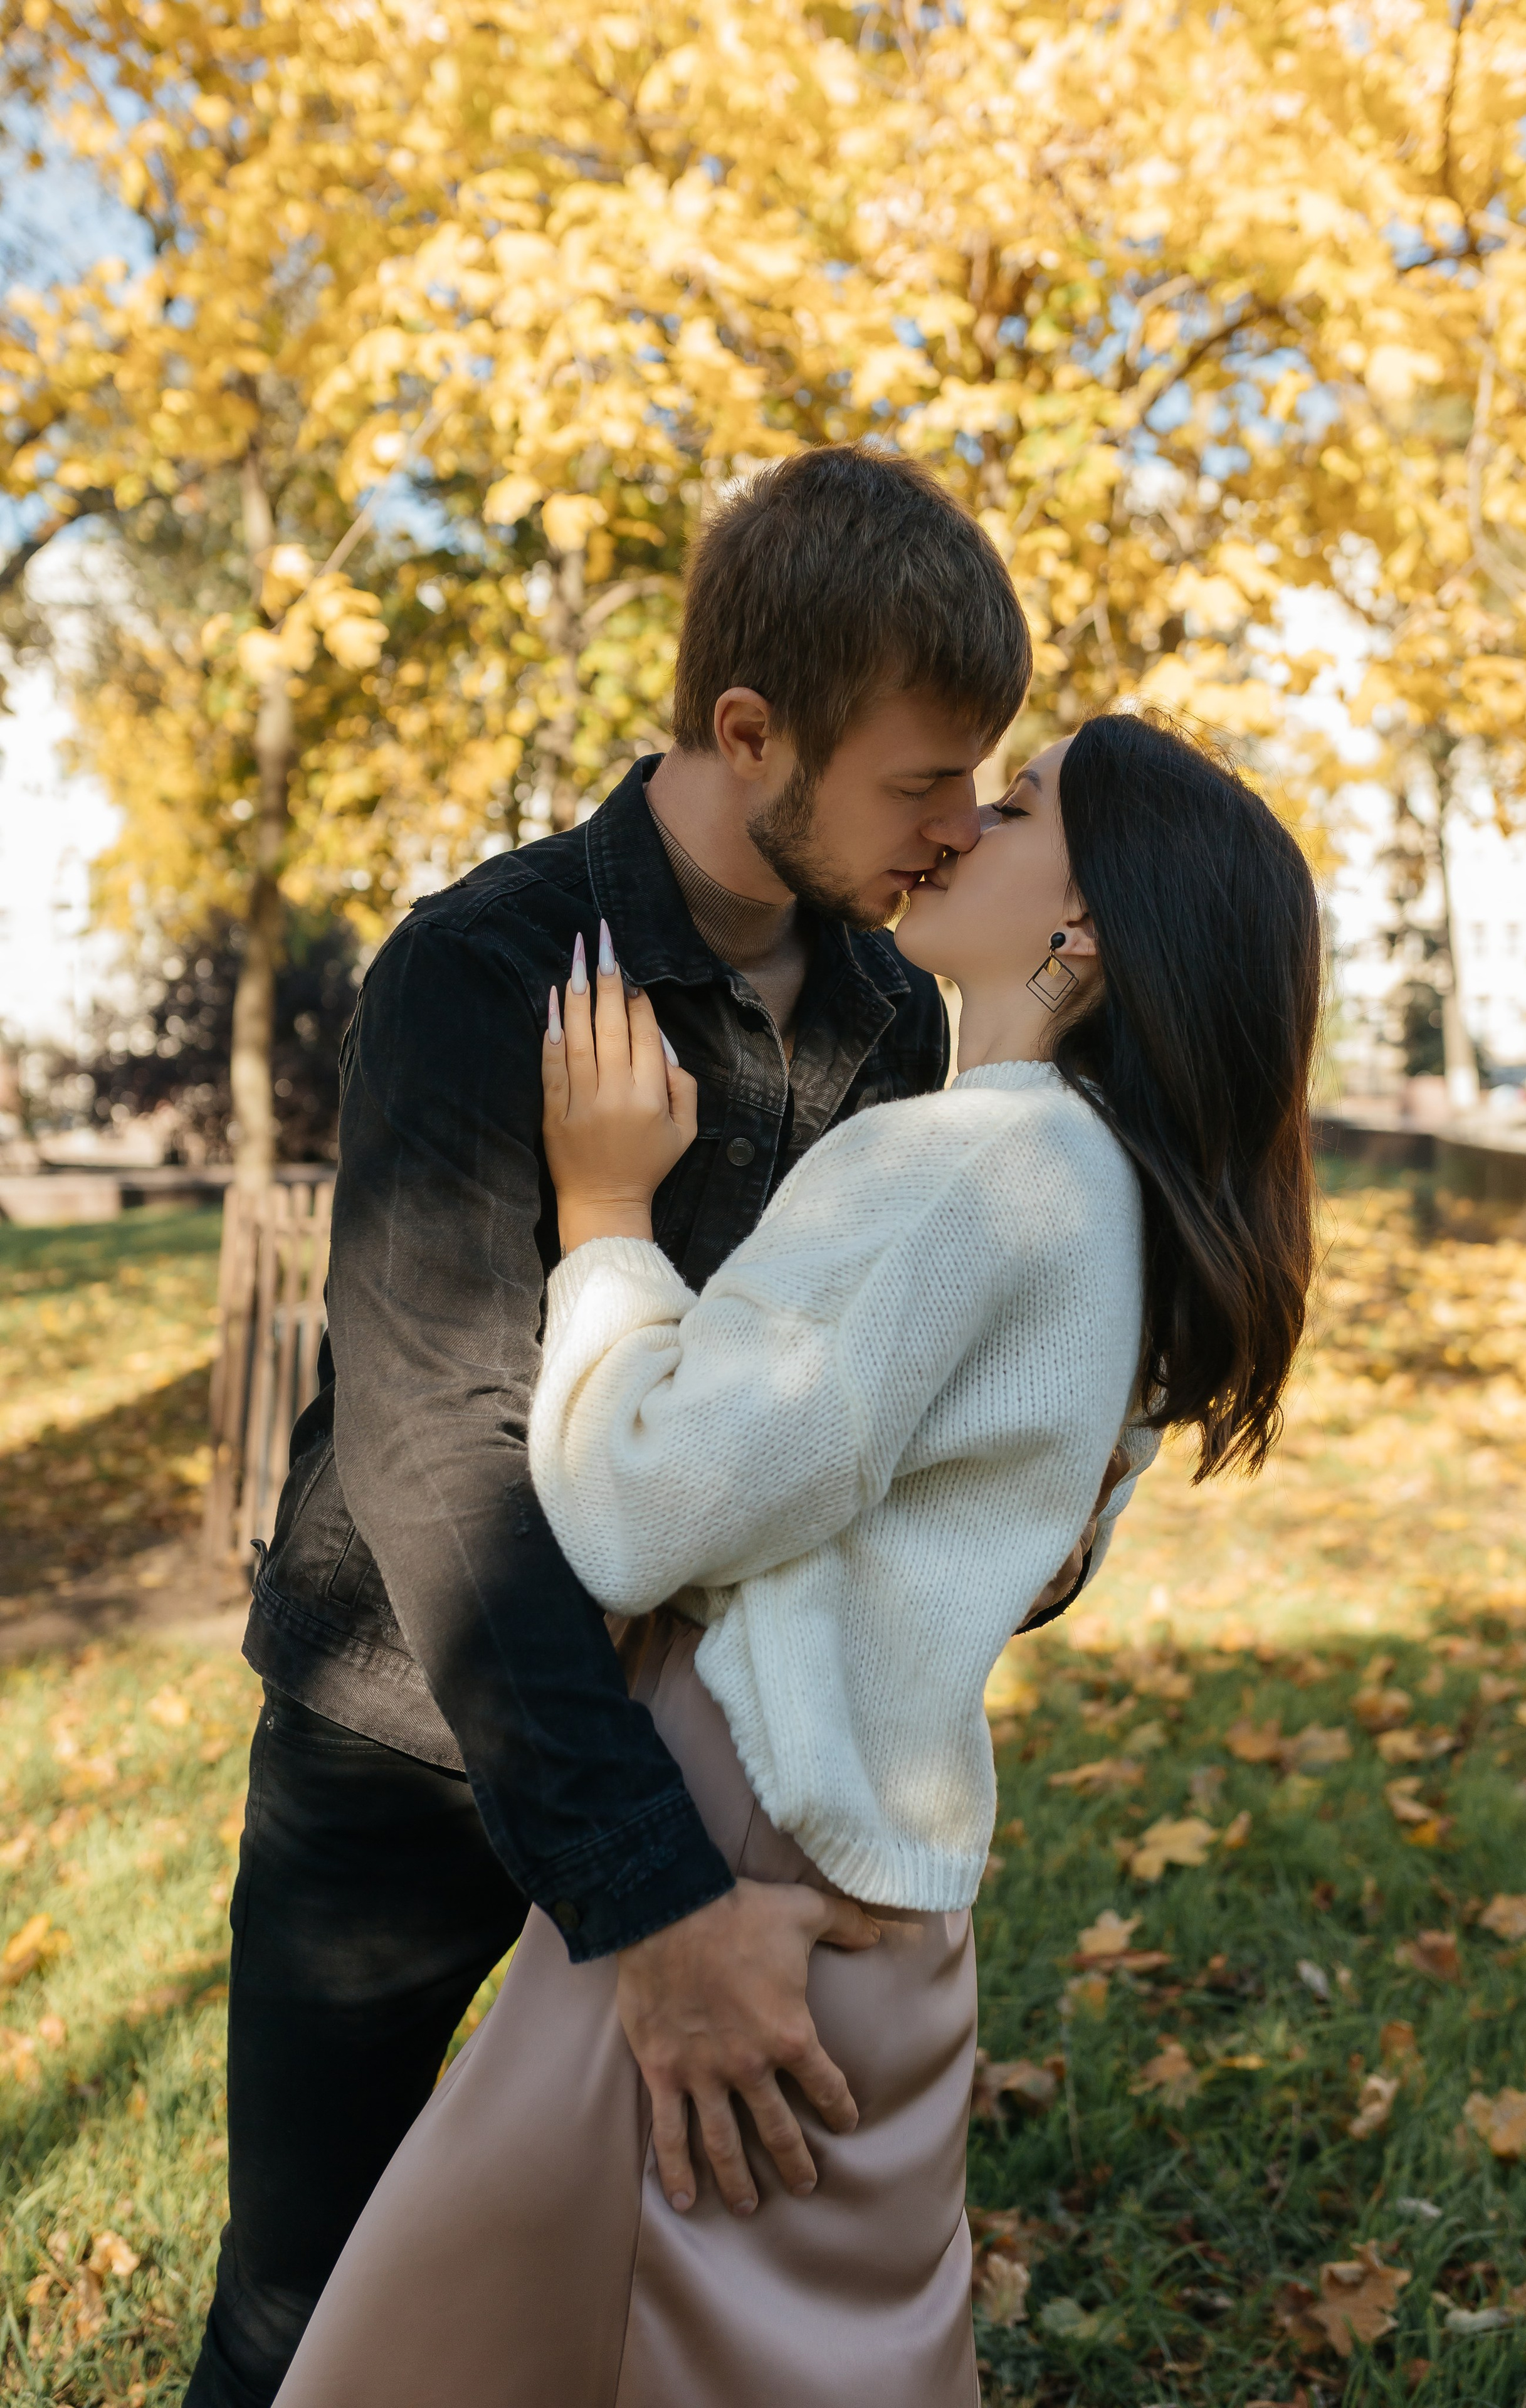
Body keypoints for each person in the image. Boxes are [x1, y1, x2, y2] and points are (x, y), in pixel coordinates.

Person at [274, 708, 1323, 2408]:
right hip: (892, 1860)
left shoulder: (967, 1160)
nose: (968, 822)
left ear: (1089, 930)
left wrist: (609, 1215)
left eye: (1024, 804)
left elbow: (639, 1505)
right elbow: (1032, 1547)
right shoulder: (1126, 1197)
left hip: (737, 1791)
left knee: (437, 2347)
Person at [187, 442, 1083, 2406]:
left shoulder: (883, 995)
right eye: (922, 781)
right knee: (307, 2304)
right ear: (751, 731)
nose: (953, 828)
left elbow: (837, 1414)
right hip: (410, 1744)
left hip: (710, 1742)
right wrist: (650, 1905)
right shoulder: (483, 968)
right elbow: (440, 1456)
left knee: (584, 2310)